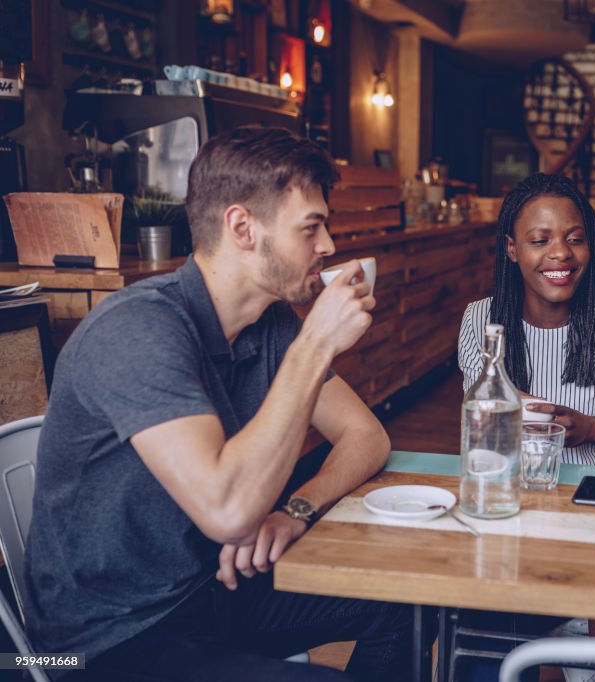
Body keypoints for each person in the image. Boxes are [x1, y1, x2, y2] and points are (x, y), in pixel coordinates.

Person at [25, 127, 414, 681]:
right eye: (312, 227)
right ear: (241, 227)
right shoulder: (138, 330)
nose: (328, 245)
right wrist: (316, 343)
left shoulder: (270, 322)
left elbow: (366, 437)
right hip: (103, 640)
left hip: (213, 593)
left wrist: (296, 510)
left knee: (407, 603)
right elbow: (228, 513)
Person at [459, 173, 595, 467]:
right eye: (539, 240)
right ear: (512, 249)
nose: (560, 252)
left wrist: (593, 429)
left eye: (575, 239)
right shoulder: (481, 321)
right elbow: (478, 432)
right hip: (510, 494)